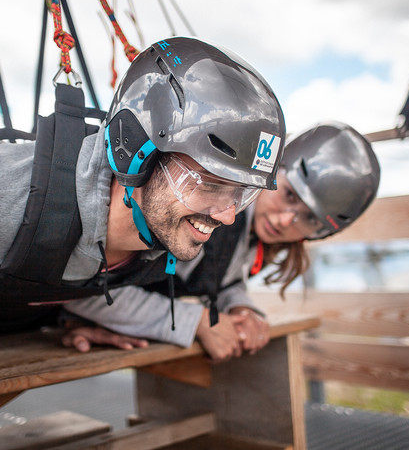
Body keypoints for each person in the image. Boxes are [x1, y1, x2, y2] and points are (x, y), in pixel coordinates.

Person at [0, 37, 286, 406]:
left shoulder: (161, 224)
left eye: (240, 193)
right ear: (135, 151)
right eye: (207, 183)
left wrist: (75, 315)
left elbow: (81, 269)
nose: (227, 215)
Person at [62, 121, 380, 361]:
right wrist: (195, 322)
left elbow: (225, 279)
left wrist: (241, 307)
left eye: (308, 218)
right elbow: (77, 285)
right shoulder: (209, 212)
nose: (286, 220)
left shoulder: (249, 237)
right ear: (271, 173)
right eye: (290, 195)